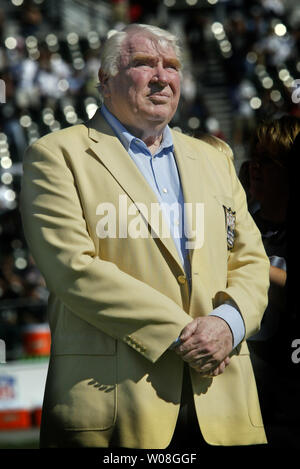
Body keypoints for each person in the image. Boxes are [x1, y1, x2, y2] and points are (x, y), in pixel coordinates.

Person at [20, 23, 269, 449]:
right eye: (143, 63)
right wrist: (189, 335)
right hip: (118, 409)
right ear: (105, 80)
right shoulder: (56, 155)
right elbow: (73, 269)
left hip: (225, 403)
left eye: (171, 66)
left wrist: (228, 325)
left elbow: (250, 261)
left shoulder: (215, 158)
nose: (161, 76)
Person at [246, 115, 300, 447]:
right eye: (254, 157)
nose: (255, 167)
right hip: (246, 406)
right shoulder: (241, 227)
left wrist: (253, 266)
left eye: (267, 160)